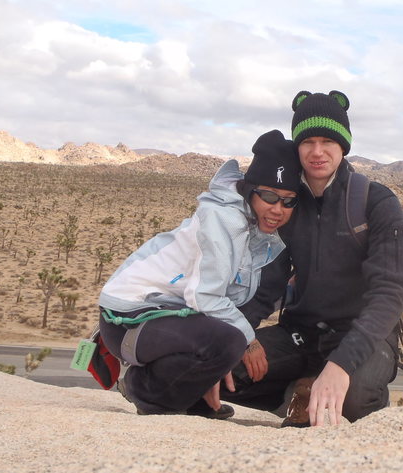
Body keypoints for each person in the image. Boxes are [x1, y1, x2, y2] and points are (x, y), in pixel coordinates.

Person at [224, 91, 403, 426]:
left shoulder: (376, 202)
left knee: (350, 400)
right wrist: (236, 337)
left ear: (344, 145)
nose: (317, 151)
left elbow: (390, 292)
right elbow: (268, 286)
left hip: (363, 335)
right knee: (218, 369)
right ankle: (297, 391)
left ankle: (324, 388)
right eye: (307, 141)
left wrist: (340, 365)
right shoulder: (288, 204)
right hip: (301, 334)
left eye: (328, 140)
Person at [97, 129, 301, 419]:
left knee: (222, 338)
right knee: (230, 340)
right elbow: (204, 296)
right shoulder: (224, 220)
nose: (278, 209)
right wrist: (249, 341)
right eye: (269, 196)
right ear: (249, 190)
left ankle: (189, 400)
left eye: (288, 200)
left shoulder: (254, 228)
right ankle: (144, 390)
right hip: (128, 319)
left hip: (161, 317)